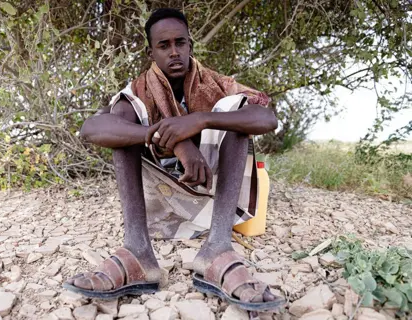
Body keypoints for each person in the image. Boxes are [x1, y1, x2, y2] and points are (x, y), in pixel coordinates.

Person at [65, 8, 285, 311]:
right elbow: (92, 128)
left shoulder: (215, 83)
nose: (174, 52)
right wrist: (170, 139)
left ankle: (218, 249)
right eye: (163, 46)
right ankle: (137, 250)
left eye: (180, 43)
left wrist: (201, 120)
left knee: (237, 111)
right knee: (123, 116)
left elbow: (266, 119)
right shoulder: (140, 90)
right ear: (150, 52)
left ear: (190, 45)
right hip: (161, 205)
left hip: (213, 200)